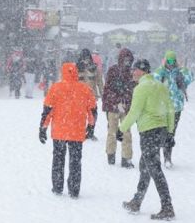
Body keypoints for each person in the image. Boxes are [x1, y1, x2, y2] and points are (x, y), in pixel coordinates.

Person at [119, 59, 175, 220]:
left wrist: (121, 129)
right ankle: (137, 201)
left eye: (135, 70)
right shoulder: (160, 86)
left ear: (142, 71)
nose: (132, 73)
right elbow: (170, 109)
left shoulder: (141, 88)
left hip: (149, 132)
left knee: (154, 170)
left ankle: (167, 207)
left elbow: (134, 112)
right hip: (161, 130)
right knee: (145, 166)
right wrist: (170, 132)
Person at [39, 62, 97, 198]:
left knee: (58, 159)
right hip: (77, 131)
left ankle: (57, 187)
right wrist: (91, 126)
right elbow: (93, 110)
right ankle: (74, 189)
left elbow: (47, 110)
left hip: (59, 131)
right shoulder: (85, 89)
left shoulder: (55, 88)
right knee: (75, 161)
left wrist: (43, 128)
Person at [153, 50, 194, 168]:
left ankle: (167, 157)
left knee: (171, 133)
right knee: (162, 132)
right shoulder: (160, 72)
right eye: (168, 61)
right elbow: (153, 82)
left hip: (176, 108)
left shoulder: (179, 73)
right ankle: (160, 157)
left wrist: (182, 67)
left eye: (173, 61)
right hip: (163, 108)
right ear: (165, 60)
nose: (171, 63)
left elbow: (191, 76)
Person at [102, 48, 136, 168]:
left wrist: (126, 102)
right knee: (112, 132)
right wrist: (117, 102)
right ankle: (111, 156)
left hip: (125, 108)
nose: (127, 62)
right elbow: (107, 89)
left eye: (129, 60)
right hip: (114, 107)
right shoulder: (113, 71)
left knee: (126, 133)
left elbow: (134, 90)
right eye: (125, 59)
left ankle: (126, 158)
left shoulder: (132, 73)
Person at [76, 48, 104, 141]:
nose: (86, 60)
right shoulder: (76, 68)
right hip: (79, 97)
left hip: (92, 96)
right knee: (80, 115)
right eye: (84, 58)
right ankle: (80, 132)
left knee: (93, 115)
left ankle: (90, 132)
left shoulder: (94, 68)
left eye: (87, 57)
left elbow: (100, 82)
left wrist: (102, 94)